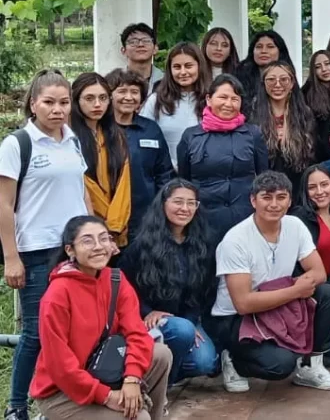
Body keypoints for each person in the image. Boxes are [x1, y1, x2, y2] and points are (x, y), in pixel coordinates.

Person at [0, 69, 91, 420]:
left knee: (72, 330)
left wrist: (96, 235)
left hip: (75, 249)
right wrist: (12, 257)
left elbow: (81, 192)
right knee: (36, 332)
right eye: (49, 102)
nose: (57, 109)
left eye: (64, 102)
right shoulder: (17, 144)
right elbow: (4, 205)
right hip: (36, 250)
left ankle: (58, 399)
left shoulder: (72, 140)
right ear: (33, 103)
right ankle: (17, 406)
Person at [207, 171, 330, 393]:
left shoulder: (294, 226)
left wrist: (294, 289)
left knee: (327, 293)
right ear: (253, 200)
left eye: (281, 197)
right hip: (236, 318)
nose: (274, 204)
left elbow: (318, 273)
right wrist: (295, 290)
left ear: (290, 200)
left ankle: (311, 366)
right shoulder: (236, 240)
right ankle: (233, 360)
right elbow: (243, 303)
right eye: (266, 197)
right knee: (280, 365)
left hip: (277, 304)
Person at [31, 216, 171, 420]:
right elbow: (60, 366)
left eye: (104, 238)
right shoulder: (57, 295)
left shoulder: (115, 279)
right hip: (61, 392)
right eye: (87, 241)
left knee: (160, 354)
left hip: (104, 371)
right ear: (70, 250)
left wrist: (132, 378)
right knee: (138, 418)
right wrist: (106, 396)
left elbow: (137, 333)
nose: (98, 246)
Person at [121, 180, 219, 384]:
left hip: (186, 320)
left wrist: (191, 323)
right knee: (181, 331)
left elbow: (204, 292)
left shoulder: (204, 244)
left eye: (191, 203)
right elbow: (124, 288)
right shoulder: (142, 245)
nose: (185, 208)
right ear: (164, 203)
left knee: (206, 362)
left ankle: (164, 375)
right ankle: (160, 385)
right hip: (148, 321)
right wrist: (147, 311)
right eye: (178, 202)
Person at [176, 74, 269, 241]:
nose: (229, 104)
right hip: (203, 220)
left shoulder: (252, 134)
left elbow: (263, 178)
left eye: (235, 99)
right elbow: (184, 181)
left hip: (245, 219)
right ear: (209, 99)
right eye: (223, 97)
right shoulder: (191, 136)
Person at [105, 69, 174, 237]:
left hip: (145, 218)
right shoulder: (100, 130)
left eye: (134, 92)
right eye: (122, 91)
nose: (129, 97)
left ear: (141, 100)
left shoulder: (151, 129)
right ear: (110, 96)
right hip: (106, 219)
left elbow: (164, 174)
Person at [71, 73, 134, 247]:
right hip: (84, 230)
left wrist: (114, 227)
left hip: (116, 232)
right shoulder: (68, 138)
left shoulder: (116, 136)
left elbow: (123, 185)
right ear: (76, 100)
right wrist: (102, 228)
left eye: (103, 98)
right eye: (89, 98)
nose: (97, 104)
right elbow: (84, 185)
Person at [291, 165, 330, 356]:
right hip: (311, 290)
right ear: (305, 191)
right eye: (312, 187)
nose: (320, 191)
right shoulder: (299, 218)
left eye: (324, 185)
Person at [140, 42, 209, 168]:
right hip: (166, 175)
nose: (183, 72)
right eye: (177, 67)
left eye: (188, 66)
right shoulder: (156, 100)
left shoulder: (211, 100)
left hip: (205, 175)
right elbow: (143, 138)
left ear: (199, 66)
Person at [251, 61, 315, 192]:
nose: (278, 84)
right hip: (263, 188)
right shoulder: (252, 114)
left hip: (297, 187)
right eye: (271, 80)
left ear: (292, 83)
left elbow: (310, 158)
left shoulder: (304, 114)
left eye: (284, 79)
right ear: (263, 84)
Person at [235, 30, 294, 108]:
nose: (263, 51)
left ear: (280, 51)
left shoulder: (288, 77)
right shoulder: (239, 76)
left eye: (270, 47)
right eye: (259, 47)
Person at [121, 23, 164, 91]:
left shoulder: (167, 82)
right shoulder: (115, 83)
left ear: (155, 49)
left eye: (146, 41)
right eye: (133, 42)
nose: (140, 45)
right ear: (123, 50)